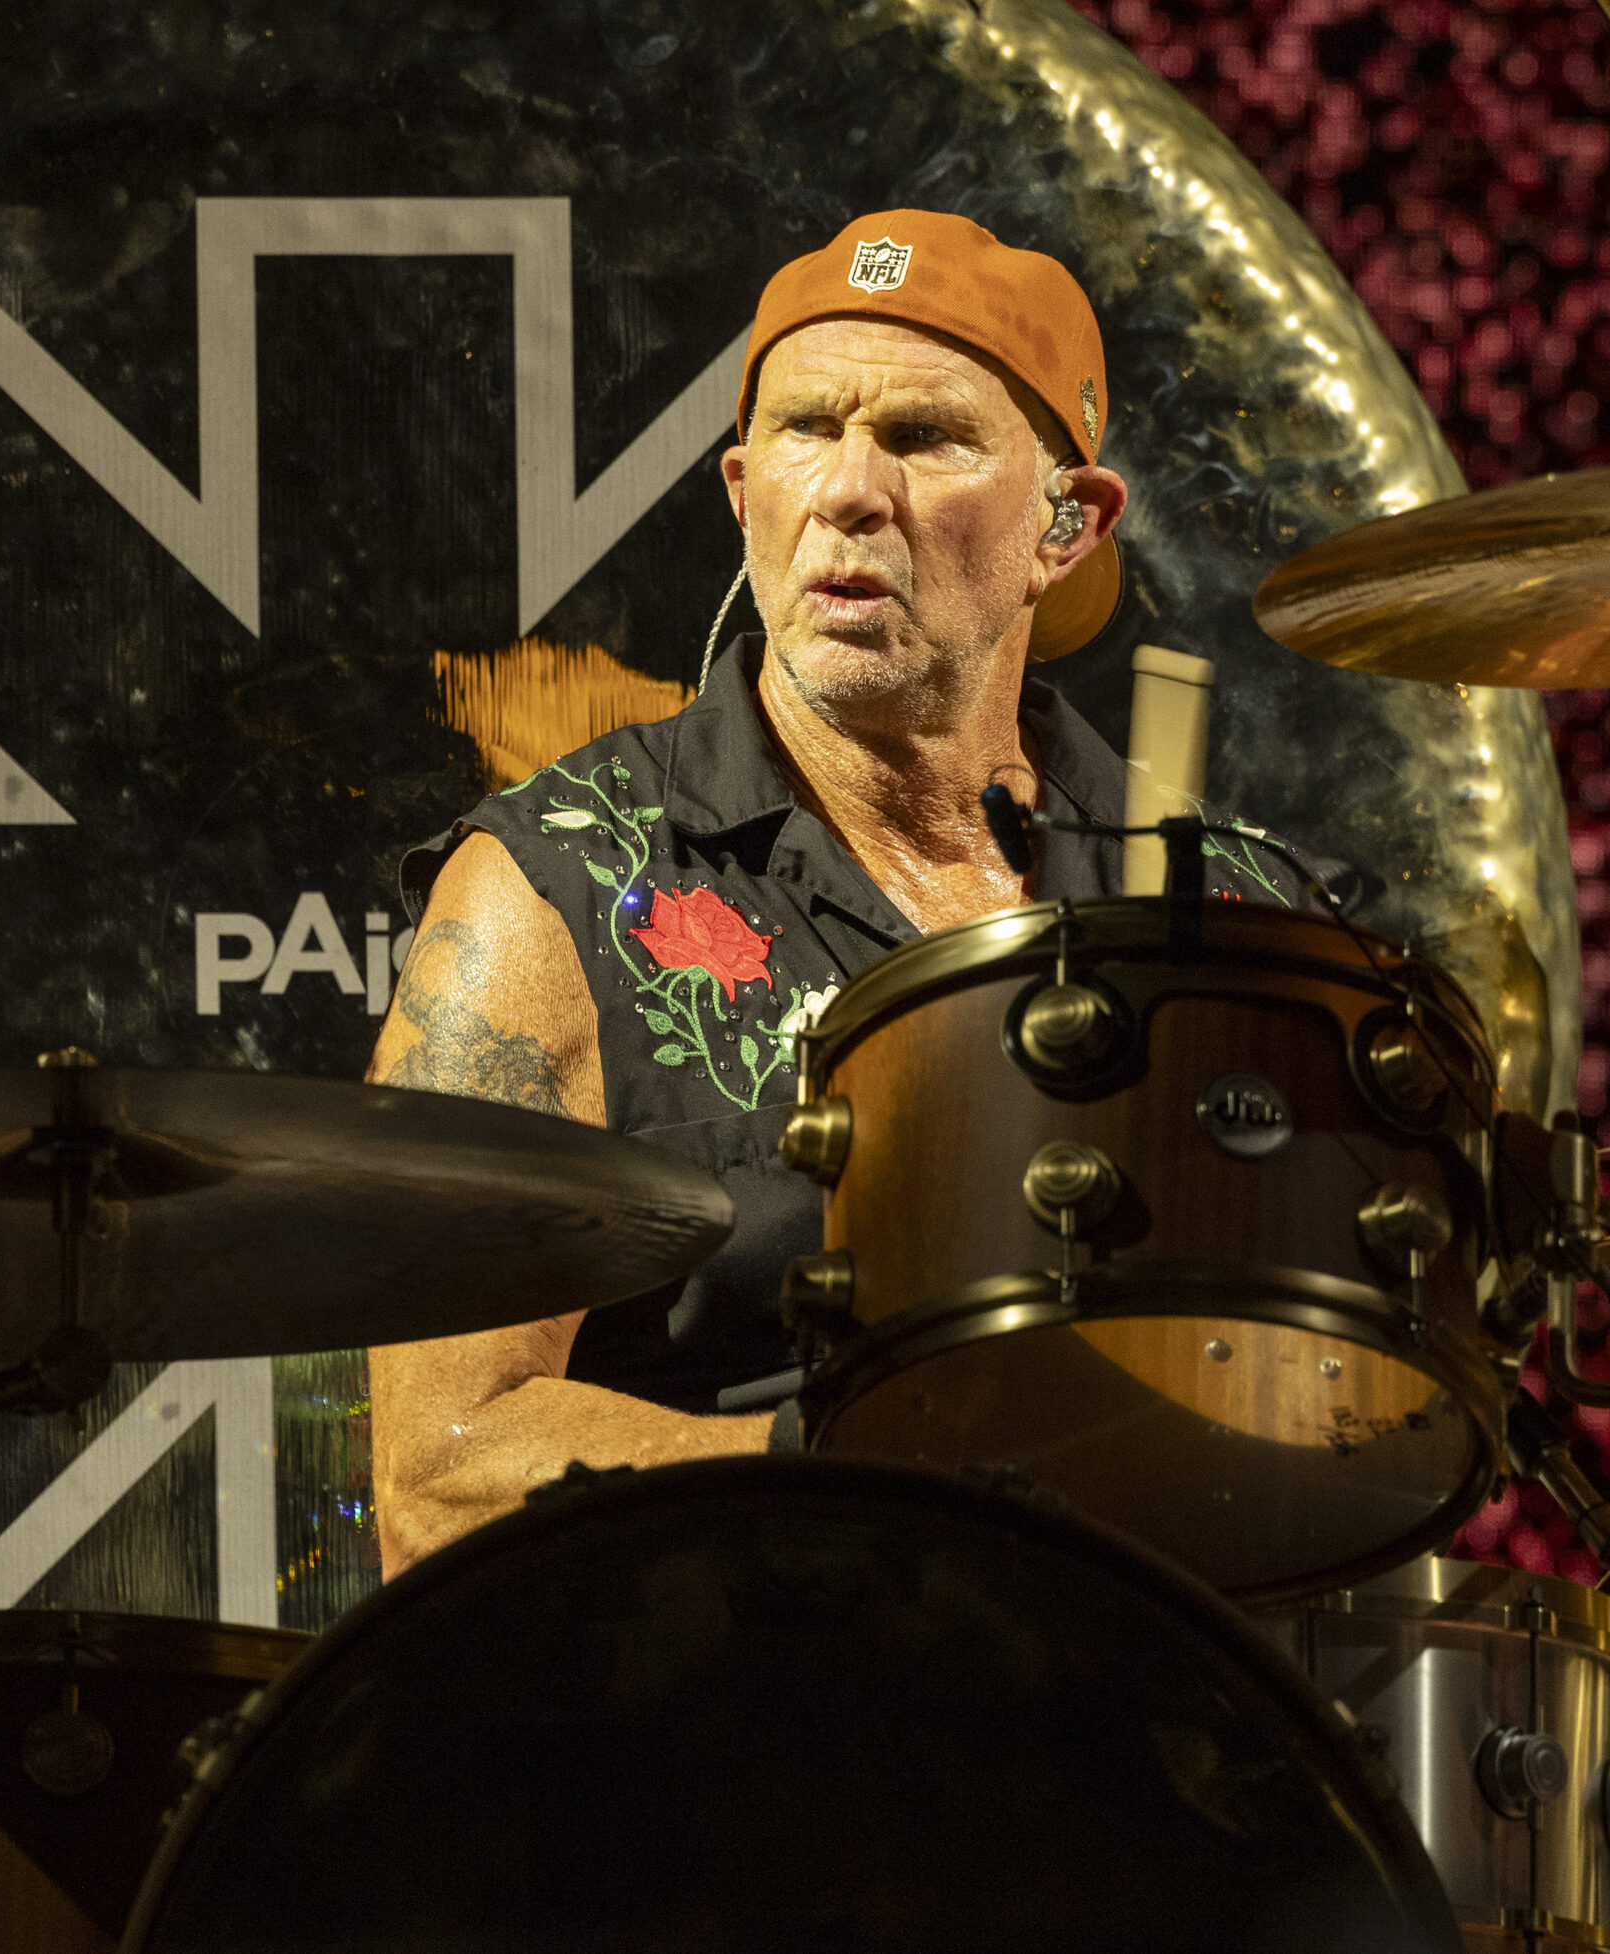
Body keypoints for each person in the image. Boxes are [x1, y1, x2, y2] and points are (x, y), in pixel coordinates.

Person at [367, 209, 1296, 1573]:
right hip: (730, 1680)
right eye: (806, 430)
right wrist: (863, 1481)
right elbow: (438, 1474)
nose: (850, 490)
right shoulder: (554, 887)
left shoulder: (1240, 919)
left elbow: (1352, 1399)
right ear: (746, 493)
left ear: (1068, 523)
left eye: (924, 437)